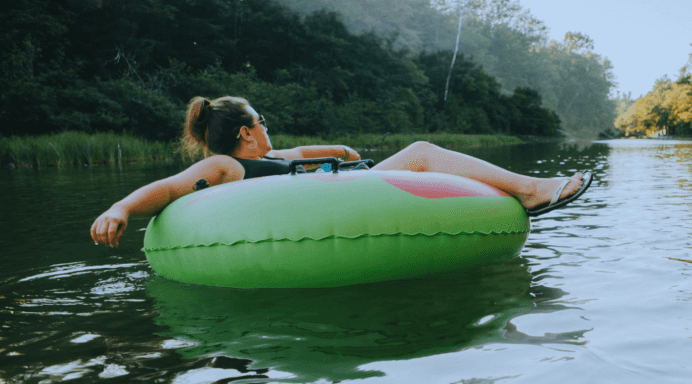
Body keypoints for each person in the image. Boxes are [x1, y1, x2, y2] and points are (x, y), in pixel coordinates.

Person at [91, 96, 593, 248]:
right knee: (420, 149)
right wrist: (121, 207)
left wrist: (346, 152)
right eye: (262, 122)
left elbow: (316, 149)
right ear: (246, 133)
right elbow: (171, 186)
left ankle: (522, 191)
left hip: (344, 185)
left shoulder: (274, 160)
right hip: (326, 205)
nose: (269, 128)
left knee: (419, 154)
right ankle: (532, 190)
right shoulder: (223, 165)